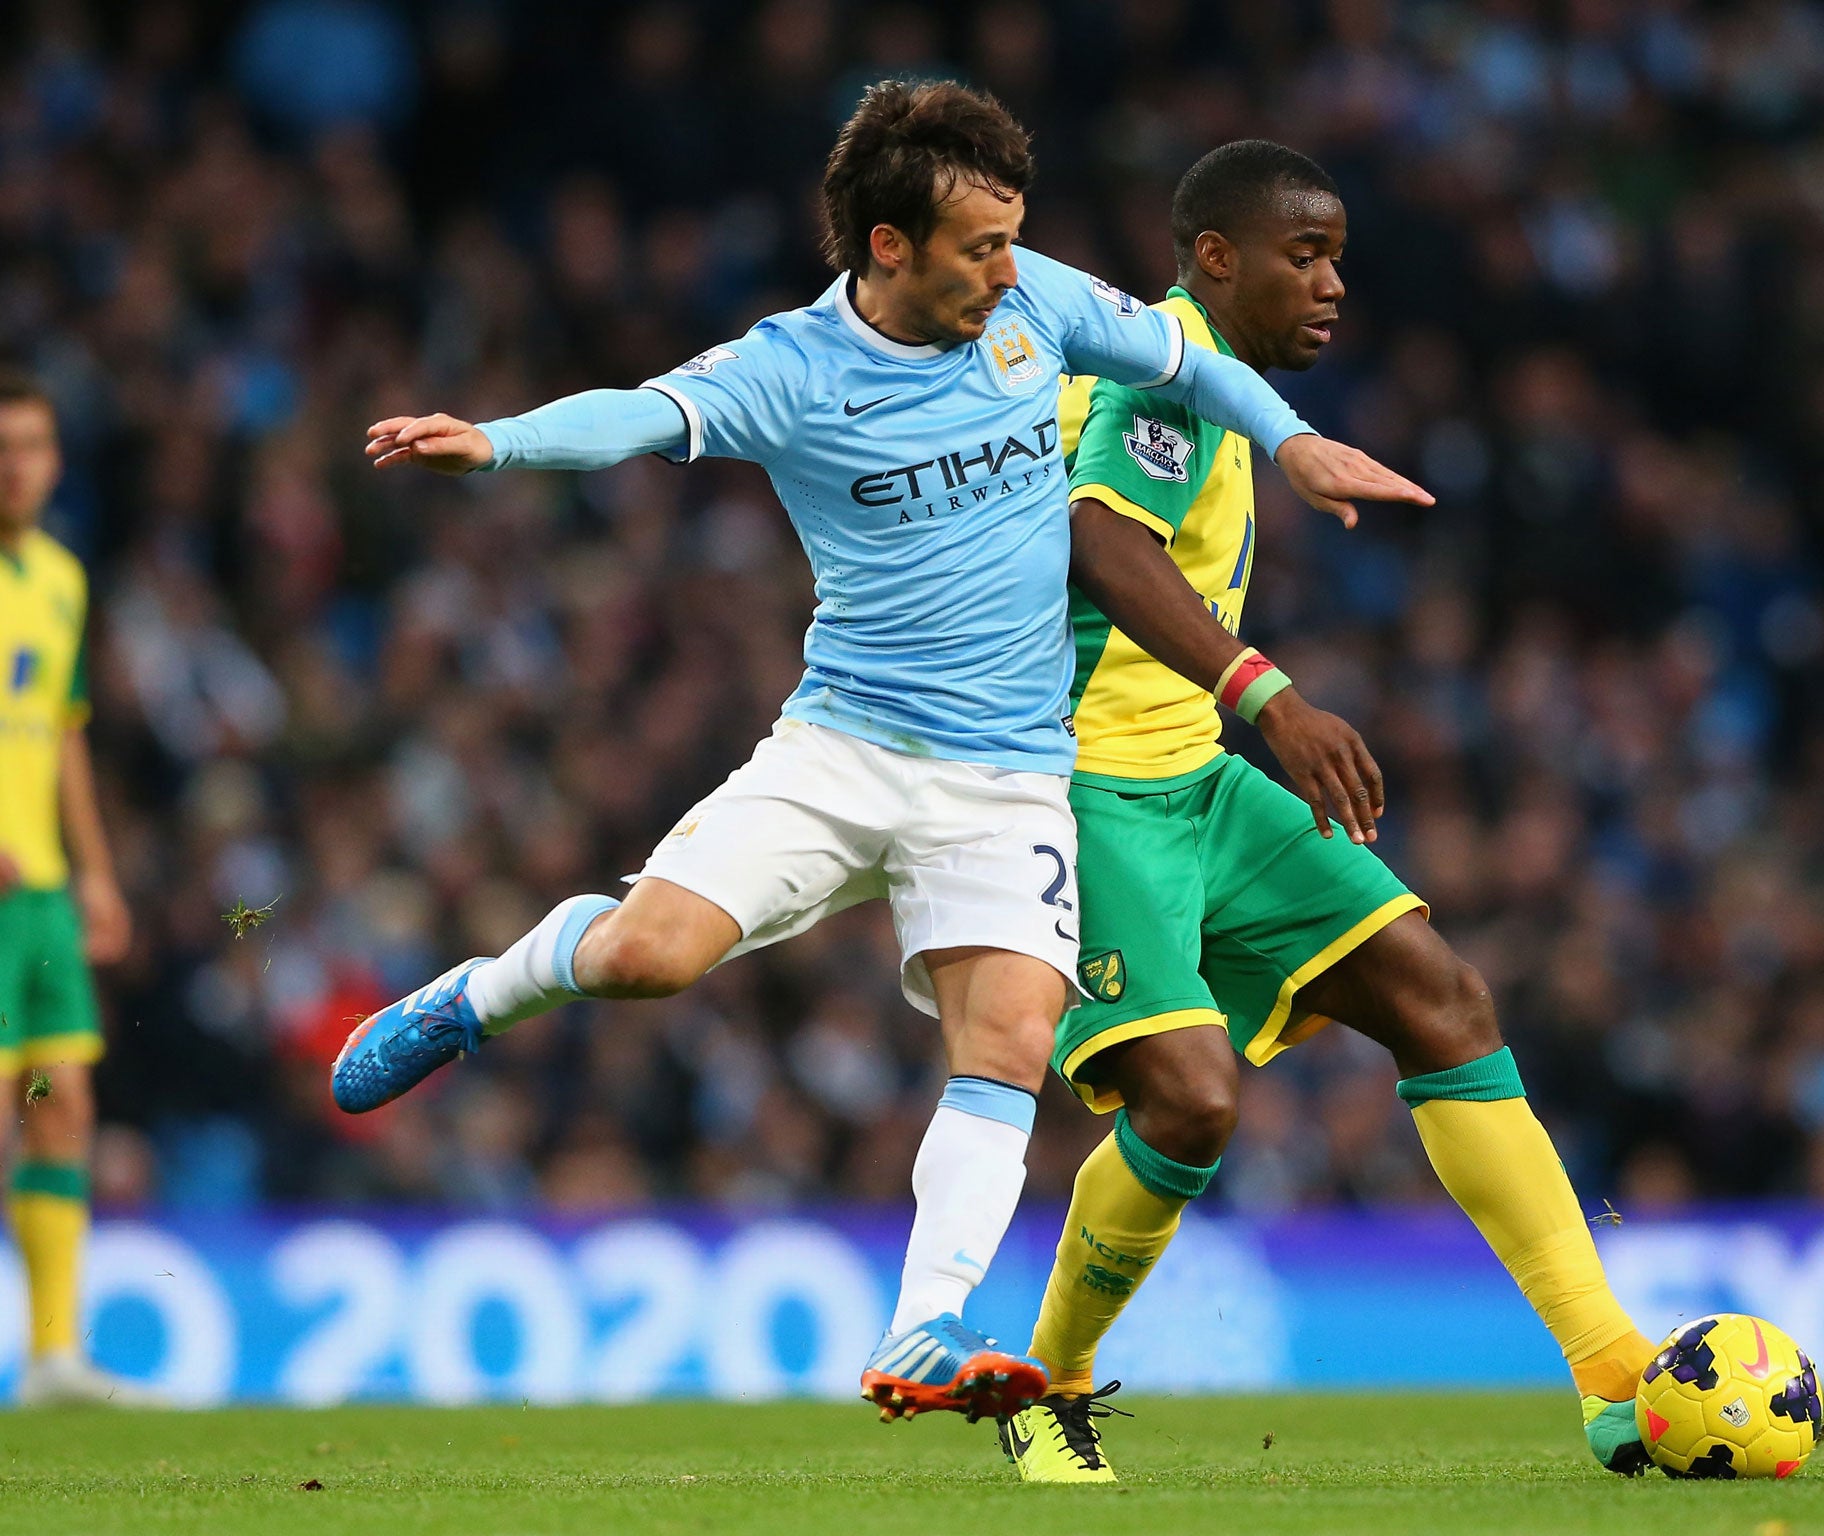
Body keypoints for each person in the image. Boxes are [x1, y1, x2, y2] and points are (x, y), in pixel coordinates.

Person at [330, 84, 1430, 1423]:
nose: (1007, 272)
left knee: (1012, 1037)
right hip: (842, 749)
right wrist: (493, 444)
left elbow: (1188, 362)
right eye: (979, 248)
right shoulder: (789, 369)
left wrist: (1295, 442)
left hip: (1010, 772)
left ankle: (927, 1323)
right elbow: (633, 412)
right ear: (888, 247)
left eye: (1014, 239)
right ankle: (477, 995)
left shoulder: (1041, 307)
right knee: (643, 959)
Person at [996, 141, 1655, 1481]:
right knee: (1190, 1105)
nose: (1334, 283)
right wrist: (1272, 696)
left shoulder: (1209, 389)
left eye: (1339, 254)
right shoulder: (1154, 377)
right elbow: (1099, 538)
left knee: (1441, 998)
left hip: (1192, 780)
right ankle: (1040, 1384)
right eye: (1306, 255)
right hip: (1085, 787)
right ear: (1216, 257)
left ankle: (1615, 1372)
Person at [0, 370, 153, 1406]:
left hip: (41, 895)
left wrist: (96, 873)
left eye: (35, 445)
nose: (19, 465)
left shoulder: (58, 576)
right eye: (3, 446)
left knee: (63, 1106)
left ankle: (54, 1357)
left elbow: (61, 738)